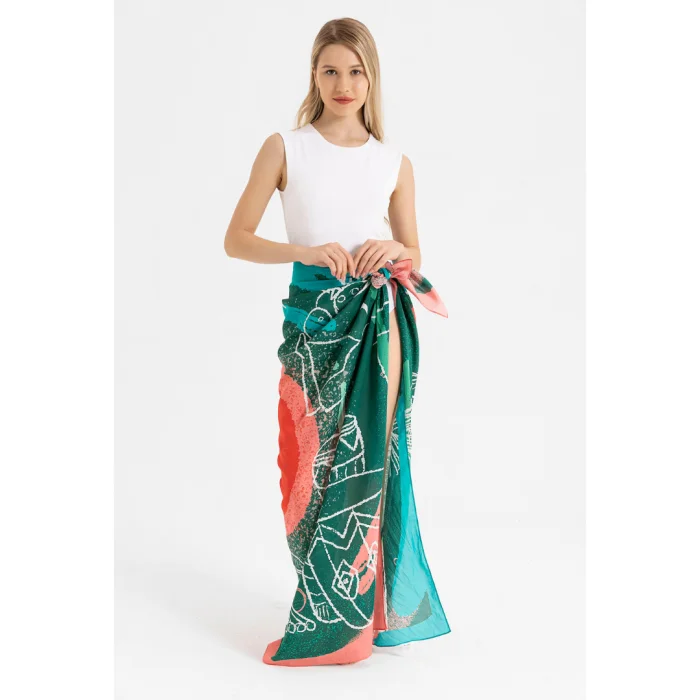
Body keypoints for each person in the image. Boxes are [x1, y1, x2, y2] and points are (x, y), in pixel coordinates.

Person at [224, 17, 451, 666]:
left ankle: (352, 629)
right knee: (303, 470)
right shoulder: (285, 149)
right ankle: (331, 613)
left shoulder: (393, 162)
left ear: (371, 78)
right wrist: (304, 251)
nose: (343, 83)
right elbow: (236, 239)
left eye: (355, 71)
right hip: (312, 324)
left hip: (378, 322)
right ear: (314, 76)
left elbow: (414, 252)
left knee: (371, 466)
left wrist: (393, 246)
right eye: (330, 70)